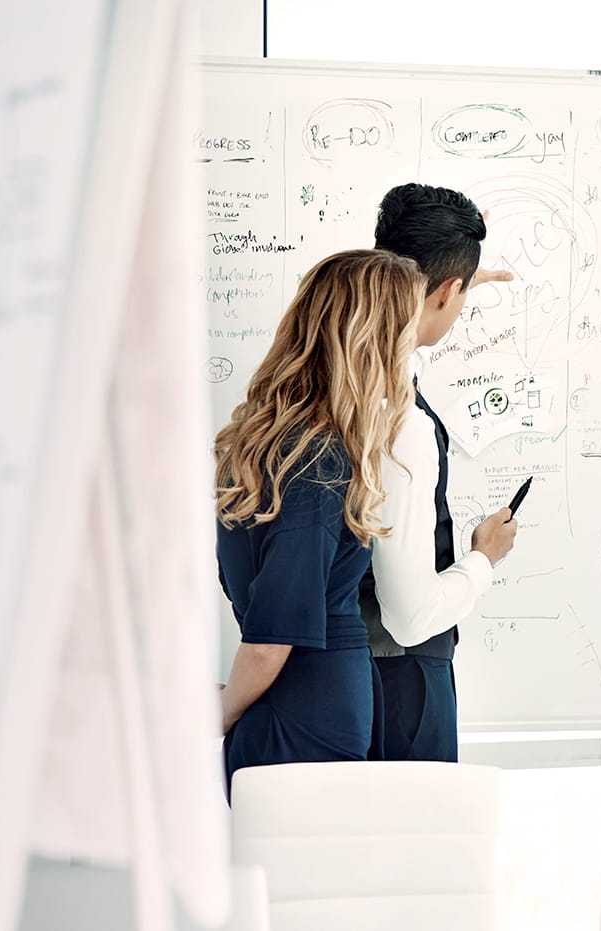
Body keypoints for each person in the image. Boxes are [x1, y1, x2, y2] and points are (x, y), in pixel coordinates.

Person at [215, 248, 425, 795]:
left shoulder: (279, 447)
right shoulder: (316, 460)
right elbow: (269, 641)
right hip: (305, 718)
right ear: (372, 342)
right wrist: (220, 715)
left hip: (299, 707)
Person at [360, 182, 518, 762]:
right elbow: (409, 616)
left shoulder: (346, 376)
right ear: (449, 291)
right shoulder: (401, 418)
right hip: (400, 686)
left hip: (345, 676)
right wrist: (484, 559)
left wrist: (457, 284)